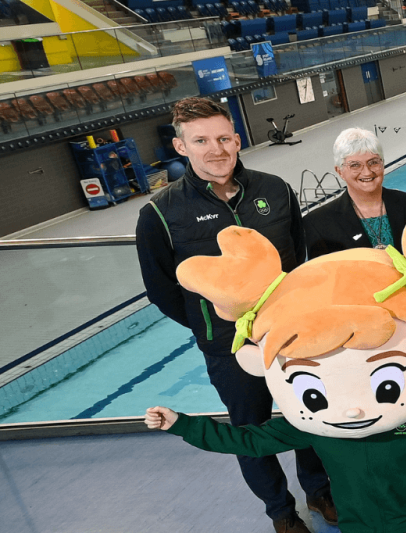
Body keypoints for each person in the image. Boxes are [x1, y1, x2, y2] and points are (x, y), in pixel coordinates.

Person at [144, 209, 406, 533]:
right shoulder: (317, 427)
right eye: (312, 395)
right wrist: (181, 424)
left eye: (387, 386)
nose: (351, 410)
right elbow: (246, 441)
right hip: (359, 526)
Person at [135, 96, 333, 533]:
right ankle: (281, 512)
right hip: (228, 348)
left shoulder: (274, 189)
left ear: (237, 139)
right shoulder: (160, 214)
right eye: (201, 140)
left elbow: (296, 259)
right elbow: (162, 289)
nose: (216, 149)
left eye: (223, 137)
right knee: (249, 431)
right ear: (181, 147)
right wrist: (212, 325)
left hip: (289, 336)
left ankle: (319, 491)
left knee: (310, 414)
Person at [303, 127, 406, 491]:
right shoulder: (318, 223)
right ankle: (384, 469)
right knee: (377, 396)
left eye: (374, 162)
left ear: (384, 164)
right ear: (339, 170)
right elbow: (321, 288)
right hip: (364, 333)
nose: (367, 171)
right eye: (355, 164)